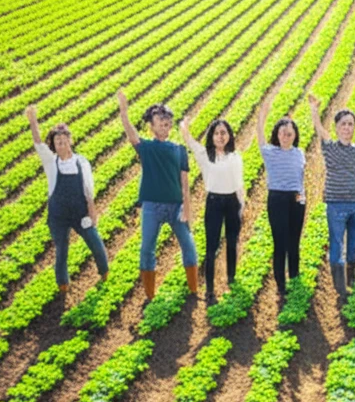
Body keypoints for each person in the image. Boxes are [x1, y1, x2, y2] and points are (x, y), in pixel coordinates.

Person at [118, 91, 198, 301]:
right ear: (151, 126)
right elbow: (131, 134)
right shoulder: (146, 148)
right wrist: (124, 112)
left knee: (188, 246)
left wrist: (187, 209)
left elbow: (185, 183)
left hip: (176, 206)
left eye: (167, 121)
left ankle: (193, 290)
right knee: (147, 249)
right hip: (152, 207)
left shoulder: (179, 150)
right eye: (160, 120)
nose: (165, 123)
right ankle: (150, 295)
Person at [25, 105, 109, 294]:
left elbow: (88, 189)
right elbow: (38, 143)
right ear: (54, 145)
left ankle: (104, 272)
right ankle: (63, 284)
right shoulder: (51, 162)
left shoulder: (81, 162)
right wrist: (33, 121)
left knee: (94, 241)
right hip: (58, 215)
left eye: (64, 141)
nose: (61, 144)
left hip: (80, 212)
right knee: (61, 249)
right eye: (57, 142)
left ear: (70, 141)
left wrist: (92, 211)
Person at [310, 94, 355, 299]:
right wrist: (314, 110)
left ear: (354, 127)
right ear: (336, 128)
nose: (347, 127)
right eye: (343, 124)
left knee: (353, 244)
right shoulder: (330, 148)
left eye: (350, 124)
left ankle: (351, 278)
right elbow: (319, 130)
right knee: (337, 243)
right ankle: (339, 287)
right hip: (336, 205)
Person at [180, 116, 244, 302]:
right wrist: (184, 126)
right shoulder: (204, 155)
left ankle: (231, 279)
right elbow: (189, 141)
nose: (220, 136)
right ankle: (209, 290)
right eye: (216, 133)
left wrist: (242, 205)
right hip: (214, 202)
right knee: (211, 247)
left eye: (224, 133)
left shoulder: (235, 157)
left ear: (229, 136)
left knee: (232, 243)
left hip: (232, 202)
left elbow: (240, 184)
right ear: (212, 136)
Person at [257, 92, 307, 300]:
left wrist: (302, 199)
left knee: (294, 241)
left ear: (295, 135)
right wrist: (263, 113)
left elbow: (301, 179)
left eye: (289, 134)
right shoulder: (269, 151)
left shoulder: (300, 153)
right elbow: (259, 133)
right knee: (280, 242)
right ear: (277, 134)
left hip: (296, 199)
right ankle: (281, 284)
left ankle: (295, 278)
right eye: (282, 133)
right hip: (277, 199)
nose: (286, 137)